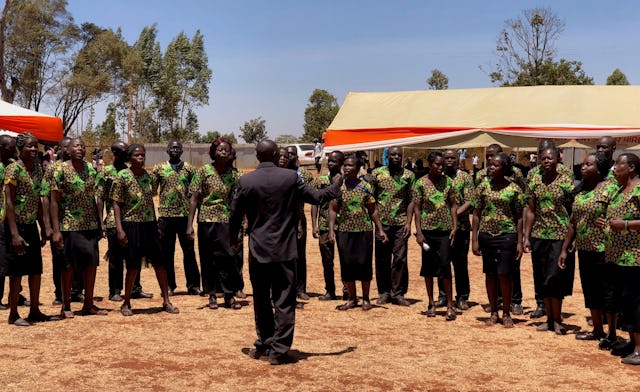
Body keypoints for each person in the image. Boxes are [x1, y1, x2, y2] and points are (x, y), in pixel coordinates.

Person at [229, 139, 342, 365]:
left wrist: (234, 239)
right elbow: (317, 198)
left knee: (261, 298)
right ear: (275, 155)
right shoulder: (290, 178)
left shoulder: (246, 180)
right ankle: (279, 350)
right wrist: (336, 185)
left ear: (257, 156)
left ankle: (266, 341)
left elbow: (234, 214)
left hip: (258, 249)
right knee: (284, 300)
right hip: (284, 249)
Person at [111, 144, 179, 316]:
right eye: (137, 155)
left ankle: (166, 301)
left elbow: (150, 200)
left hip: (149, 224)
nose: (141, 158)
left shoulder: (148, 176)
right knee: (133, 265)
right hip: (131, 224)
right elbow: (116, 204)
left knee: (159, 263)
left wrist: (156, 224)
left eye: (143, 155)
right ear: (129, 157)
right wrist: (119, 229)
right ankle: (126, 302)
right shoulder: (122, 177)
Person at [558, 153, 619, 342]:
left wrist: (609, 220)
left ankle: (612, 335)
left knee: (607, 292)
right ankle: (597, 330)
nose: (583, 168)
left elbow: (622, 212)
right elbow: (573, 222)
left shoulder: (611, 189)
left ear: (599, 170)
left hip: (605, 250)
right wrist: (564, 249)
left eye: (588, 165)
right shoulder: (581, 191)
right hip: (585, 250)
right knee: (590, 289)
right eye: (583, 165)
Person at [50, 137, 107, 318]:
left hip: (89, 224)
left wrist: (100, 223)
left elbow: (96, 197)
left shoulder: (90, 169)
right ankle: (66, 305)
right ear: (69, 149)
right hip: (68, 225)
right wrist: (56, 230)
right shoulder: (59, 169)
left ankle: (88, 304)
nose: (80, 149)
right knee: (68, 266)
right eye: (76, 146)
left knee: (91, 265)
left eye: (82, 146)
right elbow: (53, 200)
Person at [187, 138, 243, 310]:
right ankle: (211, 294)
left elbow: (237, 201)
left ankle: (229, 295)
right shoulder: (203, 171)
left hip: (226, 221)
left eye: (227, 149)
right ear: (213, 152)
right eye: (220, 149)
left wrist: (240, 223)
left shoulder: (235, 174)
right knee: (208, 258)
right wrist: (189, 225)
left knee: (228, 258)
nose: (224, 152)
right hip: (206, 220)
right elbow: (194, 198)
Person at [524, 147, 575, 335]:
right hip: (539, 236)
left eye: (550, 158)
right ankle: (548, 319)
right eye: (543, 158)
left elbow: (573, 212)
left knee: (556, 277)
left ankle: (557, 319)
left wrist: (572, 239)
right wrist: (526, 237)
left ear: (557, 159)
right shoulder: (534, 182)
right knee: (543, 278)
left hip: (559, 237)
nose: (546, 161)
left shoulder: (566, 183)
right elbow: (531, 211)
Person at [328, 154, 388, 311]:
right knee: (347, 264)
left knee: (364, 264)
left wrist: (380, 229)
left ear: (358, 168)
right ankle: (352, 298)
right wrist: (331, 229)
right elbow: (333, 209)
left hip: (364, 231)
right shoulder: (339, 187)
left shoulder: (366, 186)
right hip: (344, 231)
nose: (346, 168)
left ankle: (366, 299)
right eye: (345, 165)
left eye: (350, 166)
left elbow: (373, 210)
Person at [471, 152, 524, 328]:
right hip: (487, 236)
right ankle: (494, 312)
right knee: (490, 275)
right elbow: (476, 214)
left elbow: (519, 217)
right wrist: (475, 239)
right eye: (490, 164)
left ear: (505, 168)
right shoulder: (483, 187)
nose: (491, 168)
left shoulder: (515, 189)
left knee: (505, 274)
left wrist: (519, 241)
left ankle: (507, 313)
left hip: (507, 236)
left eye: (496, 165)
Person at [4, 133, 52, 326]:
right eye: (29, 147)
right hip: (15, 227)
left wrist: (44, 226)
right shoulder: (12, 169)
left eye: (35, 146)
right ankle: (13, 314)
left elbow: (39, 201)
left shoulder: (37, 170)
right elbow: (8, 202)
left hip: (31, 225)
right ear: (20, 149)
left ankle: (34, 310)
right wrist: (14, 234)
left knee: (35, 269)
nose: (33, 150)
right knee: (17, 271)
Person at [96, 141, 150, 302]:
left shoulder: (133, 171)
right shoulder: (106, 173)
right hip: (115, 221)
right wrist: (101, 222)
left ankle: (135, 288)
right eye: (123, 151)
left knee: (135, 255)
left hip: (134, 220)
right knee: (116, 258)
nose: (127, 153)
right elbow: (100, 199)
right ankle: (115, 290)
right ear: (115, 153)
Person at [599, 153, 640, 364]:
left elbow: (628, 221)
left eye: (618, 164)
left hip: (634, 257)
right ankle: (632, 343)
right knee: (624, 301)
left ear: (631, 167)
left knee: (635, 301)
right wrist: (606, 223)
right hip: (616, 256)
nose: (614, 167)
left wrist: (623, 225)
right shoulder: (619, 190)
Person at [152, 140, 200, 296]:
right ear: (167, 150)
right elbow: (152, 190)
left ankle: (193, 285)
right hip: (165, 217)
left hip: (184, 217)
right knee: (166, 252)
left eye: (178, 148)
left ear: (182, 151)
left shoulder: (189, 169)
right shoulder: (159, 169)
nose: (175, 150)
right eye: (172, 147)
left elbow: (194, 193)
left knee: (189, 252)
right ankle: (169, 285)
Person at [414, 151, 458, 321]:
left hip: (445, 231)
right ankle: (431, 303)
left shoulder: (449, 183)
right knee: (428, 269)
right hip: (427, 231)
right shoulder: (420, 184)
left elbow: (453, 205)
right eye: (437, 164)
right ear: (430, 164)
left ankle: (449, 305)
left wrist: (454, 226)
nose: (441, 167)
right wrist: (418, 232)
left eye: (442, 165)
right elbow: (417, 208)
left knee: (446, 267)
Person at [369, 146, 414, 306]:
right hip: (382, 223)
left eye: (399, 155)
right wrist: (376, 224)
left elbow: (411, 201)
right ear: (388, 156)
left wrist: (409, 222)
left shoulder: (409, 175)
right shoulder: (377, 174)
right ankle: (384, 292)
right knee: (382, 259)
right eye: (393, 154)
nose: (396, 157)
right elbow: (371, 200)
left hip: (401, 223)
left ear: (402, 157)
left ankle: (398, 293)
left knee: (400, 259)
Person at [311, 151, 346, 300]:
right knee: (327, 260)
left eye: (335, 161)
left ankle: (347, 289)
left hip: (344, 225)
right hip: (324, 225)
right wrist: (314, 224)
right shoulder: (321, 180)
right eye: (330, 161)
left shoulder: (346, 181)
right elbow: (315, 202)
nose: (331, 164)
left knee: (345, 259)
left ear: (341, 164)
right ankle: (330, 290)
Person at [442, 149, 473, 310]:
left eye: (452, 157)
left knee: (460, 263)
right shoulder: (438, 177)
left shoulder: (465, 177)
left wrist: (452, 216)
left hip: (461, 228)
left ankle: (462, 297)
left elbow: (469, 201)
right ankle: (443, 295)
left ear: (457, 159)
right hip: (441, 229)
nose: (449, 160)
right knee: (443, 262)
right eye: (446, 157)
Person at [286, 145, 314, 302]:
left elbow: (309, 195)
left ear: (296, 157)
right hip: (282, 219)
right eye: (287, 154)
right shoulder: (280, 172)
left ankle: (301, 289)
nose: (289, 157)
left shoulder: (303, 174)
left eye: (292, 154)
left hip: (298, 218)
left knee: (300, 255)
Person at [0, 134, 17, 309]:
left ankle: (15, 295)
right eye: (10, 148)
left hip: (7, 218)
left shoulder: (11, 166)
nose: (14, 150)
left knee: (9, 259)